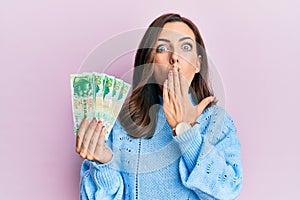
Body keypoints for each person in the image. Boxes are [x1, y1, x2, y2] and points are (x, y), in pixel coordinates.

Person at [75, 13, 243, 200]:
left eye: (186, 47)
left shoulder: (218, 121)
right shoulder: (121, 123)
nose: (175, 58)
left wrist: (185, 131)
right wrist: (103, 164)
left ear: (198, 63)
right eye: (162, 48)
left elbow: (228, 191)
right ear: (149, 62)